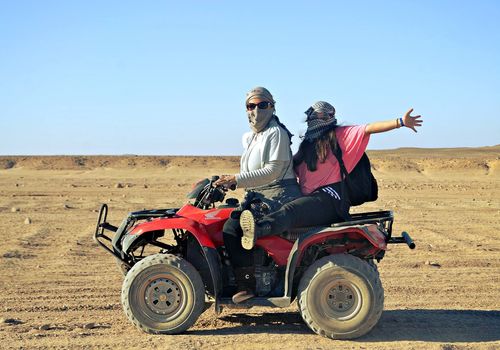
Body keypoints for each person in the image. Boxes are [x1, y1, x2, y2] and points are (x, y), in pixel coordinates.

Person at [239, 101, 423, 248]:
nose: (313, 118)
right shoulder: (307, 146)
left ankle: (260, 228)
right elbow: (284, 168)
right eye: (311, 114)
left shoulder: (341, 136)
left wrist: (400, 122)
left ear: (328, 116)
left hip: (330, 198)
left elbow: (369, 128)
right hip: (310, 198)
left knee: (290, 211)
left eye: (318, 114)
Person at [214, 87, 301, 303]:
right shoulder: (252, 137)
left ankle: (247, 285)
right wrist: (223, 182)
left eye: (262, 105)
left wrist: (236, 179)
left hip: (278, 196)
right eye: (251, 106)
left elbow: (273, 171)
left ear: (272, 106)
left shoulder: (276, 133)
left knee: (232, 228)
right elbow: (249, 172)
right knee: (222, 216)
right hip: (258, 195)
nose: (256, 110)